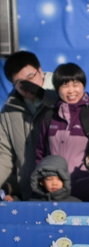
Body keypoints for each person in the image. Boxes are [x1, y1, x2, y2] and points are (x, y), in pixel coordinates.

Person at [35, 63, 89, 202]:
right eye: (64, 85)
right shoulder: (50, 116)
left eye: (75, 84)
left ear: (83, 85)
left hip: (87, 191)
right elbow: (41, 154)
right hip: (55, 193)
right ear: (57, 89)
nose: (71, 91)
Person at [0, 51, 55, 201]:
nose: (27, 85)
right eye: (20, 83)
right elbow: (4, 155)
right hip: (31, 193)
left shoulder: (66, 96)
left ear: (40, 70)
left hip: (68, 189)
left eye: (30, 77)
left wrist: (45, 95)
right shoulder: (8, 112)